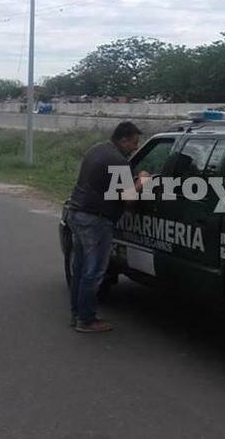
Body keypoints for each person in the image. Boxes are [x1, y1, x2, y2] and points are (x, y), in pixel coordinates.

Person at [66, 121, 142, 333]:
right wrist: (142, 182)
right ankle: (87, 320)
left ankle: (77, 314)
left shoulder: (97, 150)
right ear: (123, 139)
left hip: (77, 213)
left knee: (80, 269)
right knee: (94, 271)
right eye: (134, 143)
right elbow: (129, 199)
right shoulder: (119, 161)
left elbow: (106, 182)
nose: (136, 147)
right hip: (96, 220)